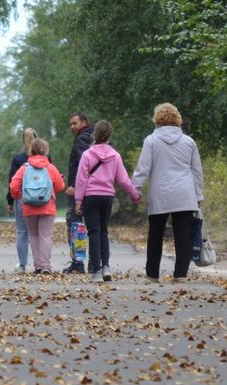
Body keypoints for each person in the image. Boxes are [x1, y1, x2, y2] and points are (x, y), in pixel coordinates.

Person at [131, 103, 205, 283]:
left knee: (155, 233)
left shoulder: (151, 141)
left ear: (157, 119)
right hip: (184, 193)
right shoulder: (189, 142)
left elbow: (143, 168)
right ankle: (180, 275)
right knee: (183, 235)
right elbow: (196, 171)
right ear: (177, 119)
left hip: (160, 193)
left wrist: (136, 190)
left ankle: (152, 274)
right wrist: (199, 195)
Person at [74, 120, 141, 282]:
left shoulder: (87, 155)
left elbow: (81, 180)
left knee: (94, 233)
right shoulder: (115, 156)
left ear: (95, 135)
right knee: (103, 231)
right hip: (107, 197)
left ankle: (96, 270)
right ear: (109, 136)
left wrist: (78, 201)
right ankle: (106, 268)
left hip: (91, 197)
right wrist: (135, 195)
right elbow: (123, 180)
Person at [9, 138, 67, 274]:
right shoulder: (50, 168)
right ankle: (46, 266)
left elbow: (13, 186)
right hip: (47, 206)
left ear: (31, 151)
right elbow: (60, 187)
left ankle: (38, 266)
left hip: (29, 206)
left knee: (33, 236)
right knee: (45, 236)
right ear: (45, 151)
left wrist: (19, 195)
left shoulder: (24, 168)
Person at [64, 112, 95, 273]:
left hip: (79, 189)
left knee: (75, 224)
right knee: (94, 227)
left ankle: (77, 262)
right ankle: (95, 262)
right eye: (71, 124)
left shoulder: (82, 139)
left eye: (75, 123)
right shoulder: (96, 138)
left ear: (84, 122)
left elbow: (84, 166)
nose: (72, 127)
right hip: (96, 189)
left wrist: (74, 185)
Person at [6, 127, 37, 273]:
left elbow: (12, 183)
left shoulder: (18, 159)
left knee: (22, 233)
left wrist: (10, 201)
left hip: (23, 200)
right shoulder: (45, 158)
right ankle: (41, 265)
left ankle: (23, 265)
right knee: (39, 233)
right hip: (42, 201)